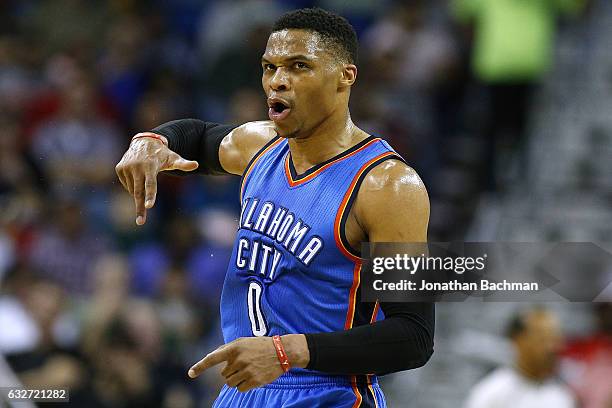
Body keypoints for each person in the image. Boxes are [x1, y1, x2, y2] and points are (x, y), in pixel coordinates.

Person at [116, 8, 434, 408]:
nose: (278, 81)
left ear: (345, 76)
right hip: (243, 391)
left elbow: (413, 336)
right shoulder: (260, 145)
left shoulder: (387, 186)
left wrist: (288, 351)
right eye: (270, 67)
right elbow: (195, 136)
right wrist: (151, 141)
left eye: (298, 66)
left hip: (327, 394)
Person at [464, 307, 575, 408]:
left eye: (554, 339)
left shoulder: (562, 397)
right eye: (542, 339)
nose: (551, 348)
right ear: (517, 340)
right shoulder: (491, 395)